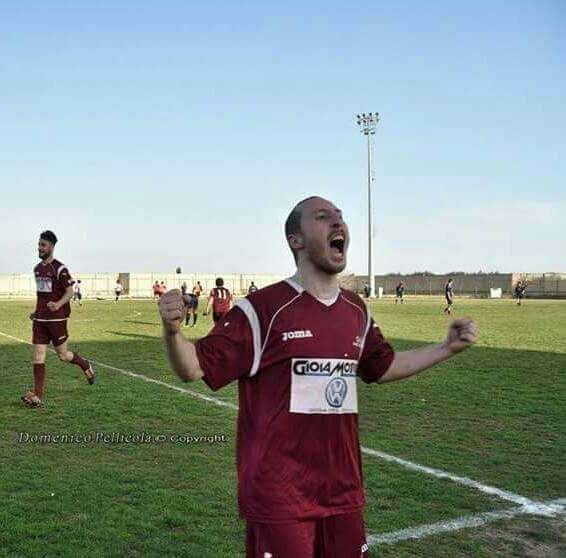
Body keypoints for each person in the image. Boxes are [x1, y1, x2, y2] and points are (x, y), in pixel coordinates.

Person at [158, 196, 477, 558]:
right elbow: (193, 367)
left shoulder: (356, 309)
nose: (338, 224)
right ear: (296, 240)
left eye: (341, 217)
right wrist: (172, 333)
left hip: (342, 493)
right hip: (281, 496)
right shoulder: (261, 310)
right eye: (323, 217)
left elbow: (382, 366)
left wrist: (446, 348)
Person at [22, 231, 95, 408]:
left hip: (57, 320)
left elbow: (70, 291)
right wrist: (36, 311)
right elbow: (42, 295)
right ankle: (37, 396)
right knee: (38, 355)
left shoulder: (60, 269)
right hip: (40, 320)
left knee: (63, 356)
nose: (39, 248)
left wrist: (59, 303)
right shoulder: (37, 269)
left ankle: (84, 364)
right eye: (39, 244)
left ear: (52, 247)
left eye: (43, 245)